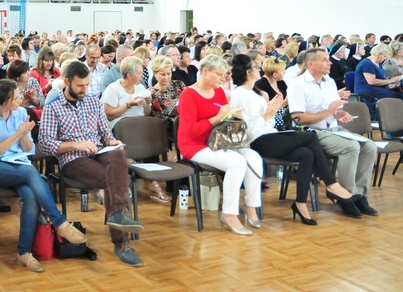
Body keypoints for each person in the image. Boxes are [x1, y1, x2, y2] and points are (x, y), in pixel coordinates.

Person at [228, 54, 358, 225]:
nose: (258, 69)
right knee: (310, 137)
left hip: (270, 134)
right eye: (254, 67)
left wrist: (272, 110)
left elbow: (270, 121)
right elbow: (247, 128)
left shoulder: (259, 93)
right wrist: (266, 115)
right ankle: (331, 183)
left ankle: (300, 203)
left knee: (306, 154)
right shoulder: (239, 94)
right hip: (257, 140)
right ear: (246, 72)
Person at [39, 62, 145, 267]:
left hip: (99, 151)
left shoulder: (92, 102)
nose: (84, 90)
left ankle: (117, 214)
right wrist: (75, 144)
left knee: (119, 156)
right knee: (114, 179)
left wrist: (111, 141)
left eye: (87, 85)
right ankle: (122, 242)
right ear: (67, 82)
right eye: (80, 86)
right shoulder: (52, 108)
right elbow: (46, 144)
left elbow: (105, 132)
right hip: (73, 158)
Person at [0, 80, 86, 272]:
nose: (20, 100)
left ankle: (23, 253)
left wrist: (25, 134)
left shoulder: (20, 113)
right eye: (15, 97)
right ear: (4, 101)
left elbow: (29, 150)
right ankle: (59, 222)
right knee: (30, 172)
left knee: (31, 194)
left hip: (18, 165)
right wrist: (17, 135)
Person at [287, 48, 379, 218]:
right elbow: (298, 119)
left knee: (369, 146)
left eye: (328, 59)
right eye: (324, 60)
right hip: (312, 132)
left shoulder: (329, 81)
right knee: (351, 147)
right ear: (311, 64)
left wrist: (339, 113)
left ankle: (360, 195)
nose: (329, 63)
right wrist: (329, 112)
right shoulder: (297, 84)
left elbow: (333, 108)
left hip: (333, 129)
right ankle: (346, 196)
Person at [177, 55, 262, 235]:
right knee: (236, 162)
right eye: (218, 74)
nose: (223, 78)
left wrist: (233, 115)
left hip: (219, 141)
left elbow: (224, 118)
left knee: (254, 158)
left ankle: (251, 206)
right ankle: (229, 212)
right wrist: (216, 118)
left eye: (224, 74)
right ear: (205, 71)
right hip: (195, 145)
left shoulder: (219, 92)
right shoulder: (188, 95)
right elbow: (191, 131)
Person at [148, 56, 185, 203]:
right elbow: (152, 113)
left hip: (180, 122)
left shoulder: (179, 85)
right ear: (155, 74)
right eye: (162, 74)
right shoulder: (152, 92)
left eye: (168, 73)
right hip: (162, 125)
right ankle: (156, 181)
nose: (166, 77)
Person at [101, 56, 151, 131]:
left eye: (142, 72)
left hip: (140, 125)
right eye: (139, 73)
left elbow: (146, 113)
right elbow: (109, 116)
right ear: (129, 76)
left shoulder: (141, 87)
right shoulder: (113, 89)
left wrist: (147, 103)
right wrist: (128, 105)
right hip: (122, 128)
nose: (142, 76)